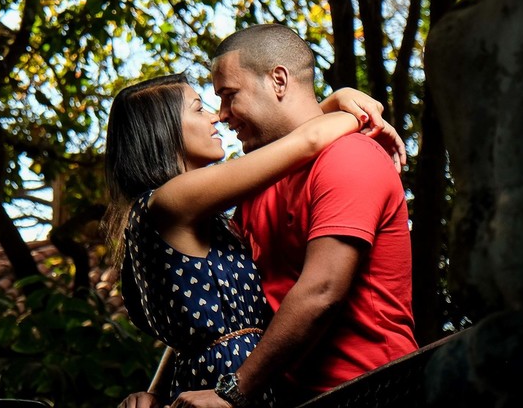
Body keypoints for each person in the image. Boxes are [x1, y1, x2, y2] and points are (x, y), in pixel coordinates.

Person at [104, 73, 403, 408]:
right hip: (224, 387)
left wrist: (157, 390)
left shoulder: (190, 214)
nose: (215, 116)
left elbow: (198, 326)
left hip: (235, 383)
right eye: (199, 109)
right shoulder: (171, 199)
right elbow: (306, 141)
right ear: (163, 130)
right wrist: (356, 110)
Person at [173, 24, 417, 408]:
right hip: (290, 400)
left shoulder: (350, 156)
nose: (221, 115)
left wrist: (234, 391)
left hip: (374, 389)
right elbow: (216, 305)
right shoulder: (258, 184)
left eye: (228, 95)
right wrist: (156, 393)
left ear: (279, 81)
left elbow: (322, 291)